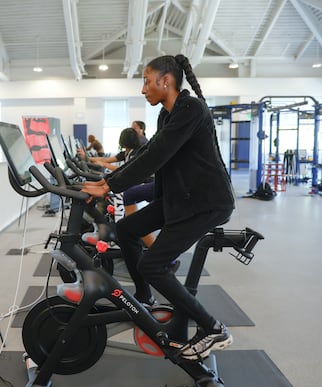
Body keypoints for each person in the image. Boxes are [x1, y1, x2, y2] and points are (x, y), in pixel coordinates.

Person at [81, 54, 235, 360]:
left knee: (152, 265)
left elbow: (157, 155)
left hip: (206, 202)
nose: (143, 89)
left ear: (166, 81)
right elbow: (149, 150)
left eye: (147, 81)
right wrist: (109, 180)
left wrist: (111, 185)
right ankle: (144, 297)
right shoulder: (168, 115)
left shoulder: (192, 109)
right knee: (125, 229)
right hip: (180, 198)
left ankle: (213, 327)